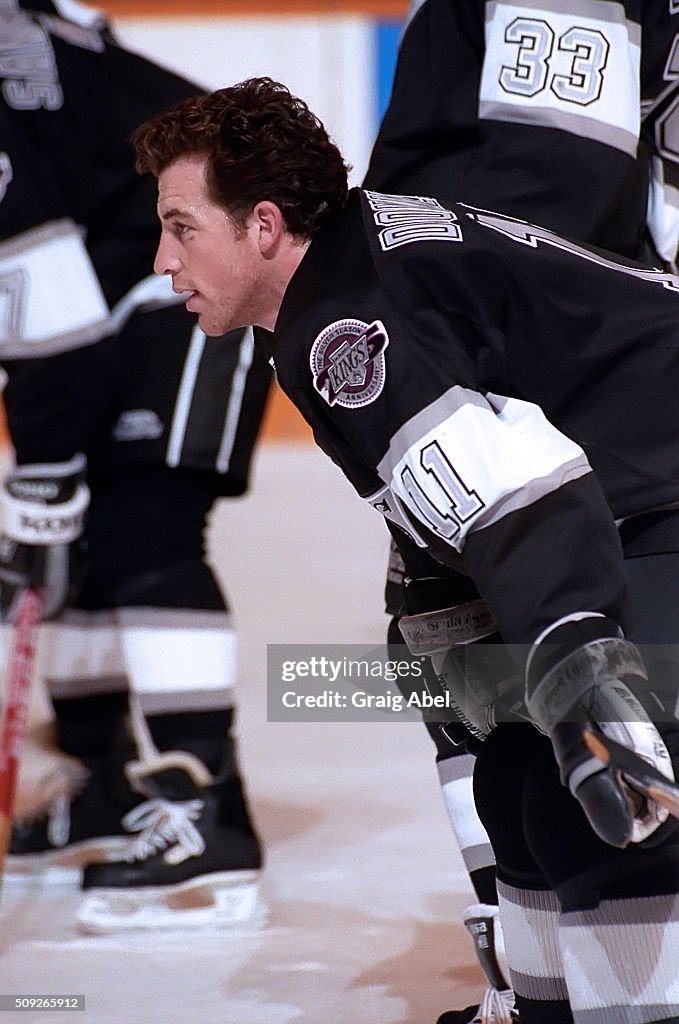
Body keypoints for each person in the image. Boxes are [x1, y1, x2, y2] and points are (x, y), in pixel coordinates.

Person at [130, 76, 679, 1024]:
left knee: (590, 816)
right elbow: (462, 479)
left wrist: (581, 672)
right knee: (512, 782)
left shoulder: (340, 325)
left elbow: (514, 490)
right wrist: (443, 612)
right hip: (634, 480)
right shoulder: (353, 255)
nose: (162, 259)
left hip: (654, 493)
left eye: (182, 228)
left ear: (262, 225)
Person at [363, 2, 679, 1018]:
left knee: (528, 715)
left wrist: (443, 362)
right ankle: (534, 983)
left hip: (592, 402)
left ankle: (540, 984)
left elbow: (544, 199)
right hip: (627, 377)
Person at [0, 0, 271, 933]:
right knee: (81, 533)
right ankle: (106, 787)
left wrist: (41, 474)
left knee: (145, 525)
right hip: (118, 266)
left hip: (202, 250)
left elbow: (50, 324)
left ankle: (206, 809)